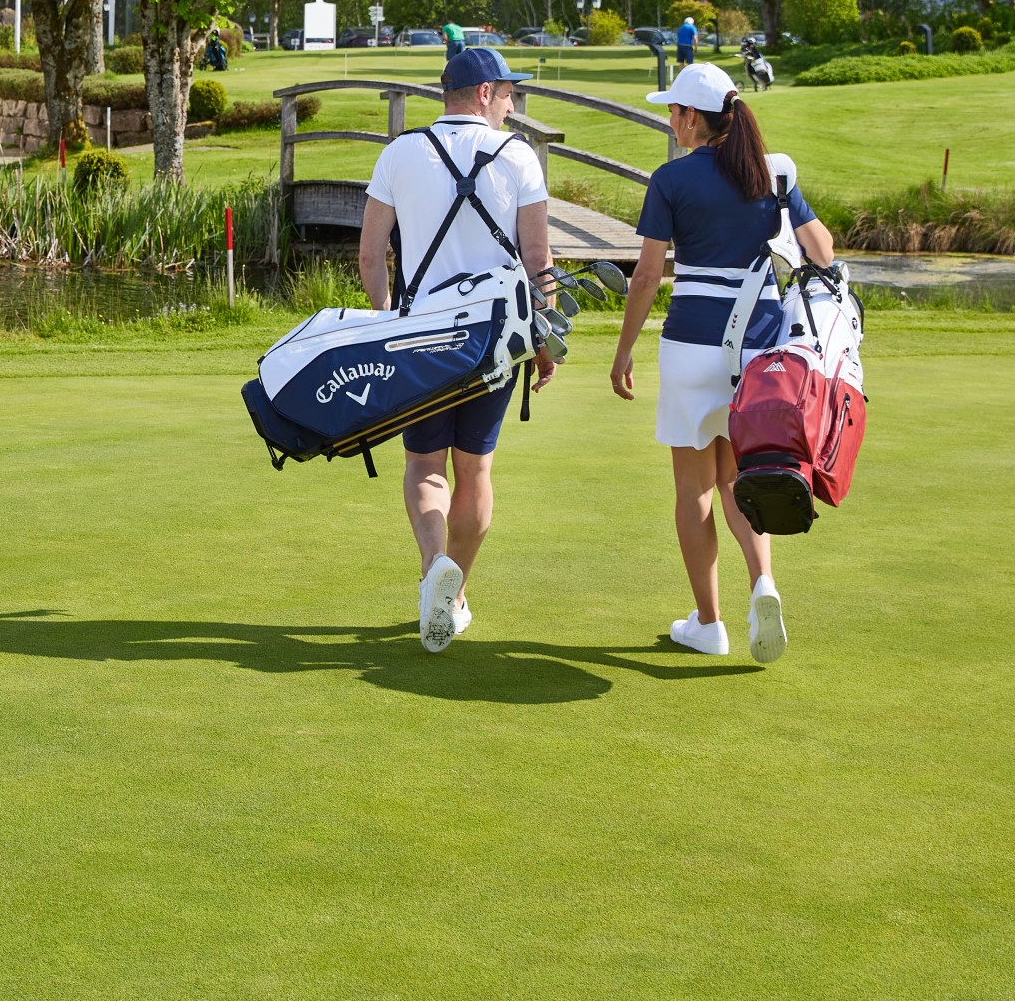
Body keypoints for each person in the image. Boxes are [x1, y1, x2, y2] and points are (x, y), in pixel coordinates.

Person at [607, 60, 835, 664]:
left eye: (673, 111)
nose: (670, 121)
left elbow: (647, 276)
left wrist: (623, 350)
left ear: (692, 117)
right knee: (737, 479)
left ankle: (709, 624)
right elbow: (823, 251)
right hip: (759, 355)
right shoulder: (774, 172)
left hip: (690, 349)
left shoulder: (671, 179)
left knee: (694, 490)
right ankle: (763, 584)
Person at [357, 44, 555, 653]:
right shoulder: (518, 155)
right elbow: (538, 260)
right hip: (493, 340)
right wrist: (545, 339)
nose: (512, 105)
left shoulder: (400, 152)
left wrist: (385, 320)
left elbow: (370, 255)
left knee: (424, 466)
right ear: (485, 94)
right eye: (509, 94)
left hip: (420, 338)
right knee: (475, 470)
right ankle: (455, 590)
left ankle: (434, 567)